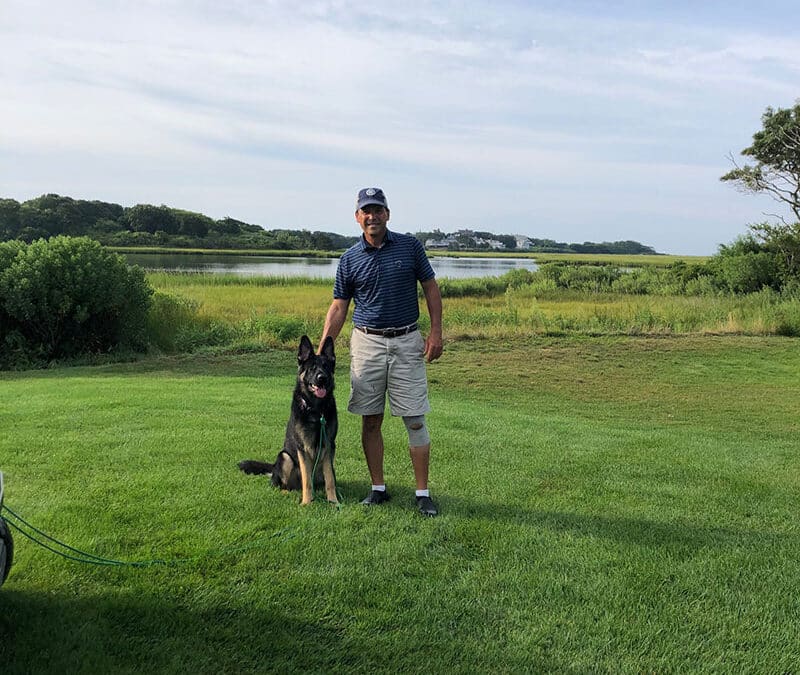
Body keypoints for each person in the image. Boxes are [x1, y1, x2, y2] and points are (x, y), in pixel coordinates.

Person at [320, 187, 443, 516]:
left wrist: (435, 332)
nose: (372, 216)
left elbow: (430, 287)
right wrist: (321, 350)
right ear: (358, 217)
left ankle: (422, 493)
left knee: (415, 419)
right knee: (370, 420)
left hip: (407, 342)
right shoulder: (349, 259)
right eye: (366, 211)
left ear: (387, 214)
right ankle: (378, 489)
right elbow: (338, 308)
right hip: (367, 344)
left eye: (378, 210)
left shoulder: (410, 246)